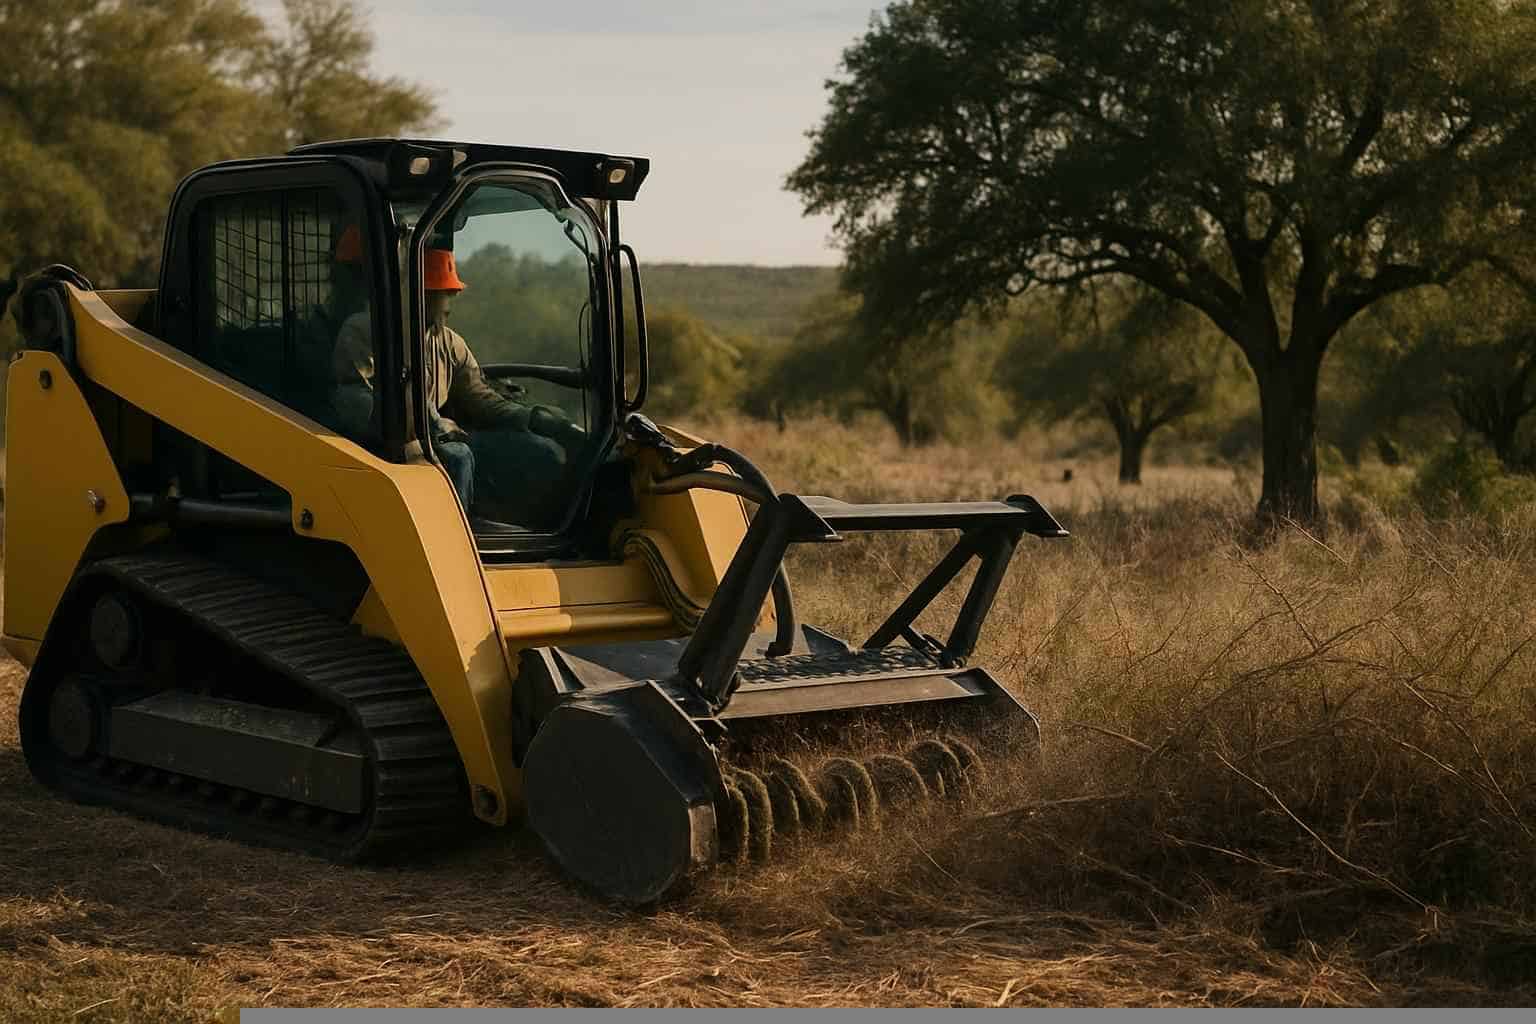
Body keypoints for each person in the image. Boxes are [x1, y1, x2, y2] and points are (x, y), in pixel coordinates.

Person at [330, 237, 576, 526]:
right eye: (445, 291)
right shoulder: (364, 331)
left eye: (451, 291)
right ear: (419, 292)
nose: (452, 299)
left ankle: (534, 531)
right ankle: (450, 536)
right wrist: (432, 424)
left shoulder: (448, 342)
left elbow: (479, 397)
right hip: (382, 447)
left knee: (538, 451)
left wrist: (531, 417)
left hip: (435, 440)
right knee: (457, 458)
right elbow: (357, 402)